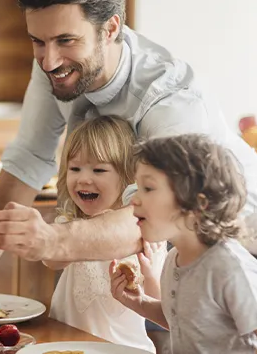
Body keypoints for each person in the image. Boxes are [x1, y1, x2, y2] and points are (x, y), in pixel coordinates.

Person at [0, 0, 257, 352]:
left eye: (65, 40)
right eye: (37, 42)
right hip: (172, 238)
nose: (48, 60)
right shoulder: (54, 66)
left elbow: (153, 214)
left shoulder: (169, 97)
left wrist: (52, 238)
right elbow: (27, 162)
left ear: (110, 29)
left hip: (245, 229)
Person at [110, 134, 257, 353]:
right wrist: (140, 303)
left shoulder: (230, 269)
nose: (134, 199)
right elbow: (184, 323)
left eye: (148, 188)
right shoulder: (173, 259)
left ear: (197, 204)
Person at [46, 115, 166, 353]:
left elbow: (163, 308)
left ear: (128, 177)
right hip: (66, 345)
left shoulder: (145, 232)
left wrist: (151, 275)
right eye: (74, 168)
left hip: (122, 348)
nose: (83, 178)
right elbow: (50, 259)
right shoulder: (71, 224)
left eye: (99, 169)